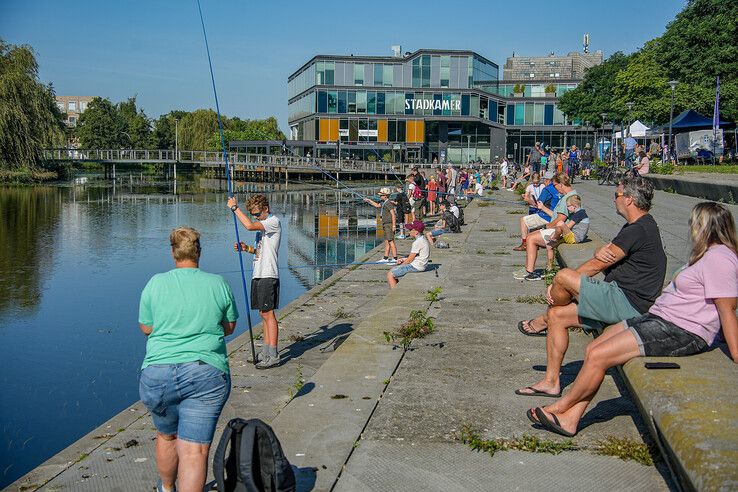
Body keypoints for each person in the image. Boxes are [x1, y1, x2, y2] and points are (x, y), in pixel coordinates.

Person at [529, 202, 738, 437]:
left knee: (600, 355)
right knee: (595, 347)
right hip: (662, 319)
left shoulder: (721, 258)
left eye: (694, 224)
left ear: (703, 226)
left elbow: (727, 309)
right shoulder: (708, 255)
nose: (691, 229)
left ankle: (561, 407)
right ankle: (570, 419)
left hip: (680, 330)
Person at [516, 176, 666, 398]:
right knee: (557, 316)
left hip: (626, 302)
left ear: (630, 200)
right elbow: (605, 254)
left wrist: (558, 284)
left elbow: (598, 264)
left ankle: (543, 316)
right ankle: (550, 382)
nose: (614, 199)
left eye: (617, 195)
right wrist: (599, 253)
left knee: (564, 276)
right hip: (619, 297)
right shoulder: (639, 226)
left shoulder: (638, 230)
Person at [138, 227, 237, 492]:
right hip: (205, 374)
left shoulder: (155, 283)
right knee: (194, 451)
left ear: (173, 253)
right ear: (199, 252)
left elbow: (146, 328)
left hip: (157, 375)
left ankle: (167, 488)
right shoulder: (218, 283)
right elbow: (229, 327)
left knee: (166, 435)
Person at [228, 194, 283, 369]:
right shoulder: (263, 226)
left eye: (258, 214)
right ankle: (266, 351)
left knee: (269, 314)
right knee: (262, 313)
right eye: (253, 215)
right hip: (258, 273)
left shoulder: (273, 221)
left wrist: (235, 209)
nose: (256, 218)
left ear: (266, 209)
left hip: (268, 274)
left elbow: (249, 226)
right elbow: (261, 251)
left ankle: (273, 354)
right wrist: (247, 249)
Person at [514, 173, 577, 281]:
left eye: (555, 186)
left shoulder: (569, 198)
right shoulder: (571, 194)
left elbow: (560, 219)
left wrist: (547, 227)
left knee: (531, 238)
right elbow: (556, 215)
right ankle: (528, 270)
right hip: (560, 228)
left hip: (561, 231)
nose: (555, 189)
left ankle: (529, 271)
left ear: (561, 184)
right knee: (531, 236)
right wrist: (543, 208)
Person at [514, 170, 559, 251]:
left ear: (547, 180)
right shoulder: (558, 188)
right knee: (534, 221)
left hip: (547, 216)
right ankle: (536, 242)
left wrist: (528, 199)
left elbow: (538, 204)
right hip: (558, 215)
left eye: (544, 180)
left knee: (523, 220)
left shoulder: (547, 189)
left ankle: (524, 244)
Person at [387, 220, 430, 288]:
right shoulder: (423, 239)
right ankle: (397, 289)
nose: (409, 231)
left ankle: (395, 295)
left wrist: (400, 265)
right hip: (421, 264)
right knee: (395, 271)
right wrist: (403, 259)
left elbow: (410, 260)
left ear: (416, 232)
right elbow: (416, 256)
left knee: (390, 274)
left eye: (410, 229)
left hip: (417, 267)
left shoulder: (417, 242)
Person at [364, 187, 397, 263]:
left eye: (381, 195)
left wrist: (394, 226)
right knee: (386, 241)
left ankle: (395, 259)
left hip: (389, 224)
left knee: (391, 241)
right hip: (385, 224)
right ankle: (385, 258)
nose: (380, 196)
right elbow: (377, 205)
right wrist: (369, 200)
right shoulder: (383, 202)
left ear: (386, 196)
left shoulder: (388, 203)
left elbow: (393, 214)